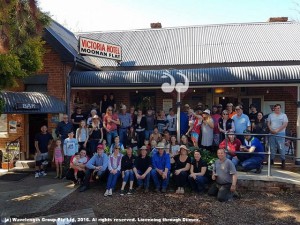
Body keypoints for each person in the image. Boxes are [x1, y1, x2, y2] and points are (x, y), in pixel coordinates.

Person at [267, 104, 288, 169]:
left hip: (281, 133)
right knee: (272, 148)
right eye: (276, 108)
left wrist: (277, 130)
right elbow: (268, 123)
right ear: (274, 109)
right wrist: (271, 130)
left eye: (278, 108)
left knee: (281, 148)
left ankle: (283, 161)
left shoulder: (284, 115)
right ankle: (271, 160)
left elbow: (285, 124)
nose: (277, 109)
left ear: (280, 108)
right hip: (272, 133)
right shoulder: (270, 115)